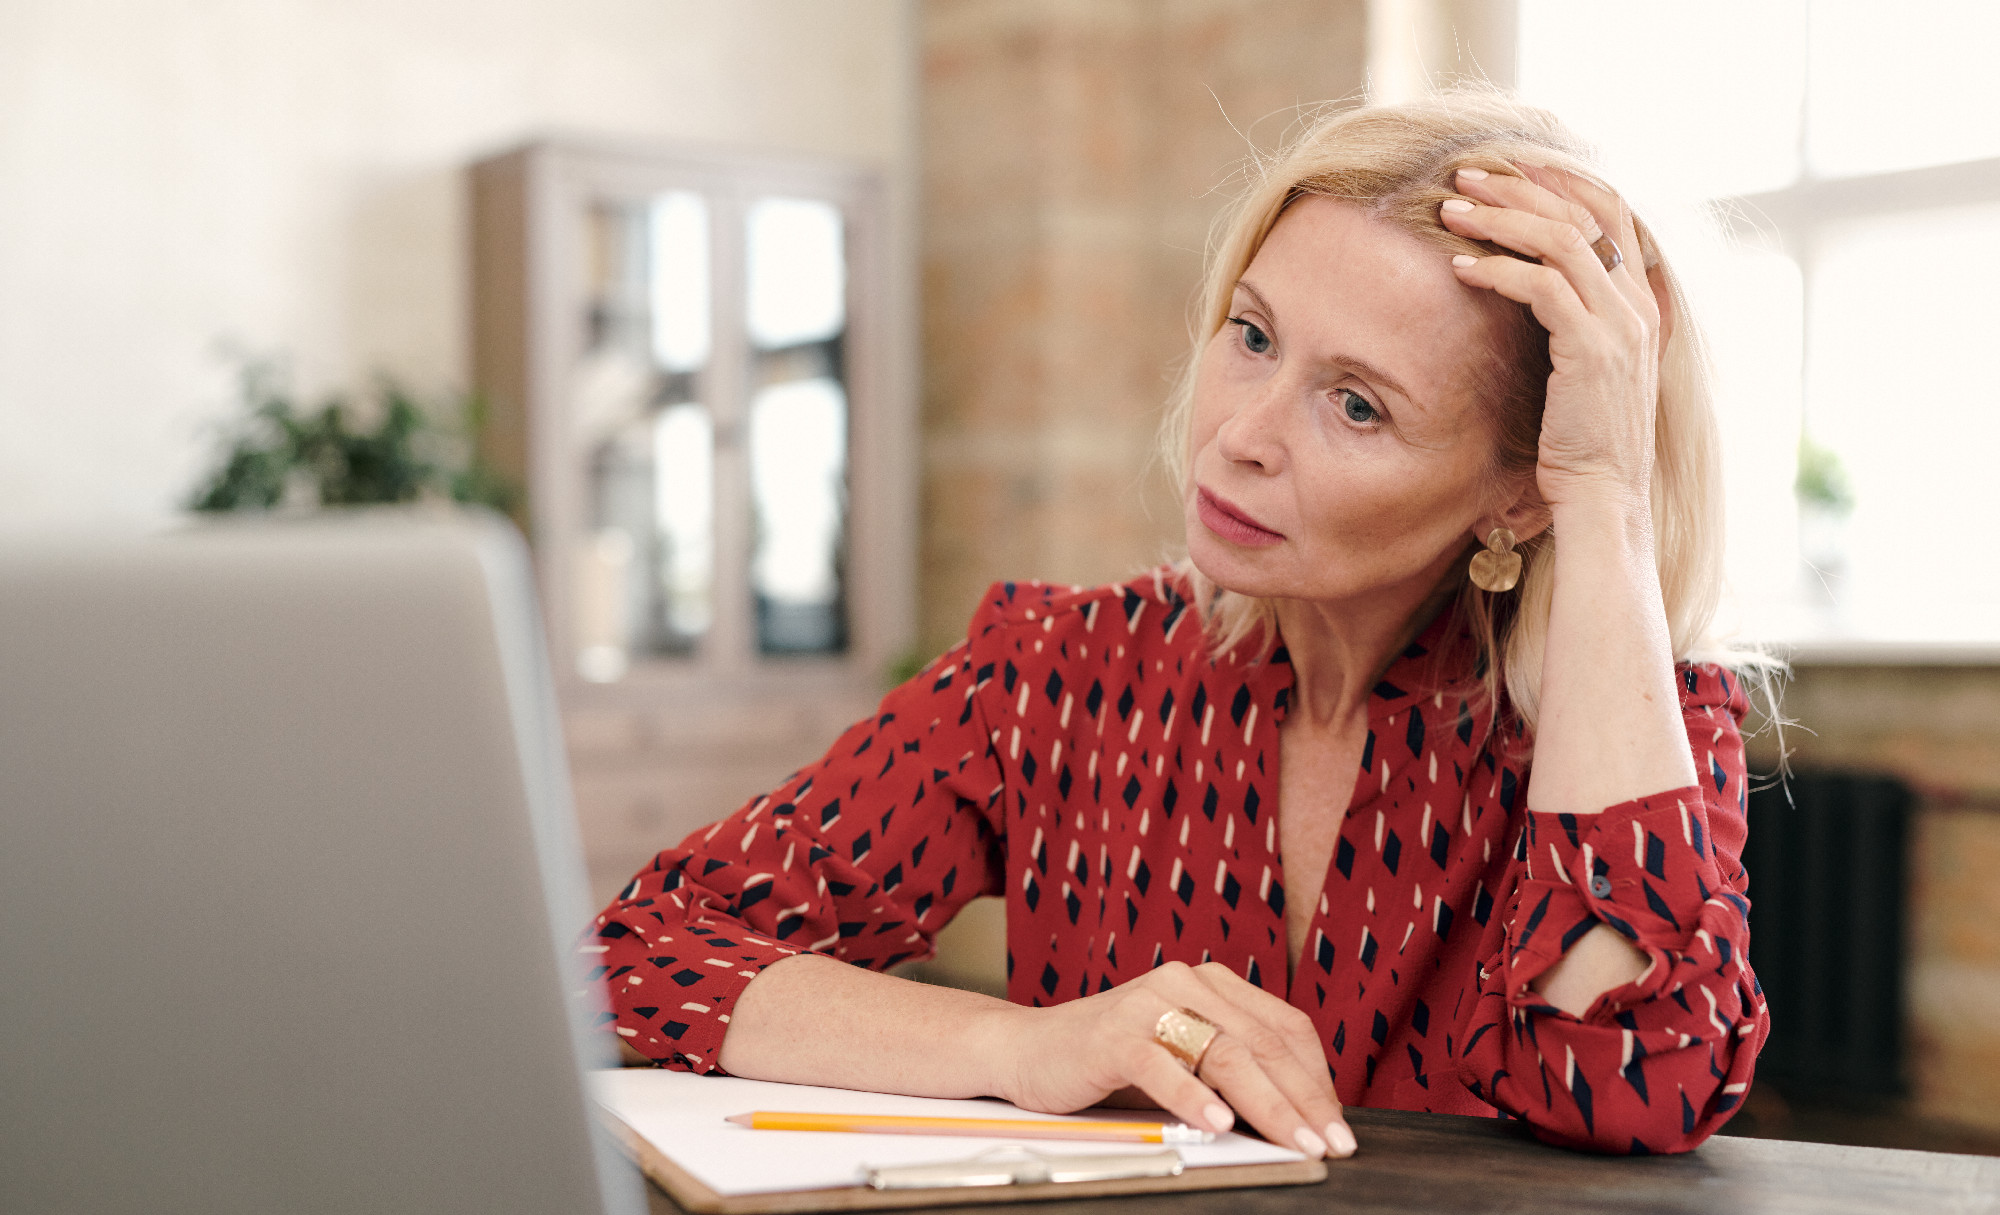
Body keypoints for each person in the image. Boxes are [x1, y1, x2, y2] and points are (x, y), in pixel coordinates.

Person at [581, 89, 1772, 1158]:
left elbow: (1643, 1076)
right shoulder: (1057, 672)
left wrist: (1605, 500)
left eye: (1355, 405)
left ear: (1517, 489)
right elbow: (650, 949)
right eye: (1249, 335)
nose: (1241, 431)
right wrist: (1025, 1047)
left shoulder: (1621, 728)